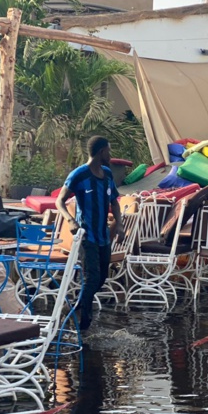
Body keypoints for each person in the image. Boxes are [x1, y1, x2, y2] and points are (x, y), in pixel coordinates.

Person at [56, 136, 124, 331]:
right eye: (109, 151)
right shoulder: (79, 175)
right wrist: (70, 220)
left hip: (103, 236)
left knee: (101, 278)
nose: (110, 155)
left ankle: (77, 308)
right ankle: (82, 320)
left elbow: (114, 202)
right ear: (102, 152)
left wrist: (119, 224)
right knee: (91, 277)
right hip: (86, 237)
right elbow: (59, 201)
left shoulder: (108, 175)